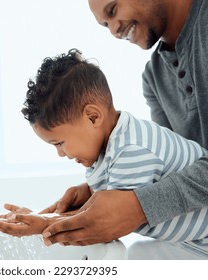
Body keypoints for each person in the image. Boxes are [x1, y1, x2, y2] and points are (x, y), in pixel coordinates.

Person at [0, 49, 208, 244]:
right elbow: (97, 209)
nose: (61, 154)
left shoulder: (131, 150)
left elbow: (105, 221)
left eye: (60, 143)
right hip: (190, 240)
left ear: (93, 117)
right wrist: (40, 214)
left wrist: (41, 223)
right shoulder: (113, 143)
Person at [34, 0, 208, 246]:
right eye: (105, 25)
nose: (115, 31)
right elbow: (174, 167)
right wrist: (98, 190)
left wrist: (139, 206)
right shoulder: (154, 77)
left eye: (113, 10)